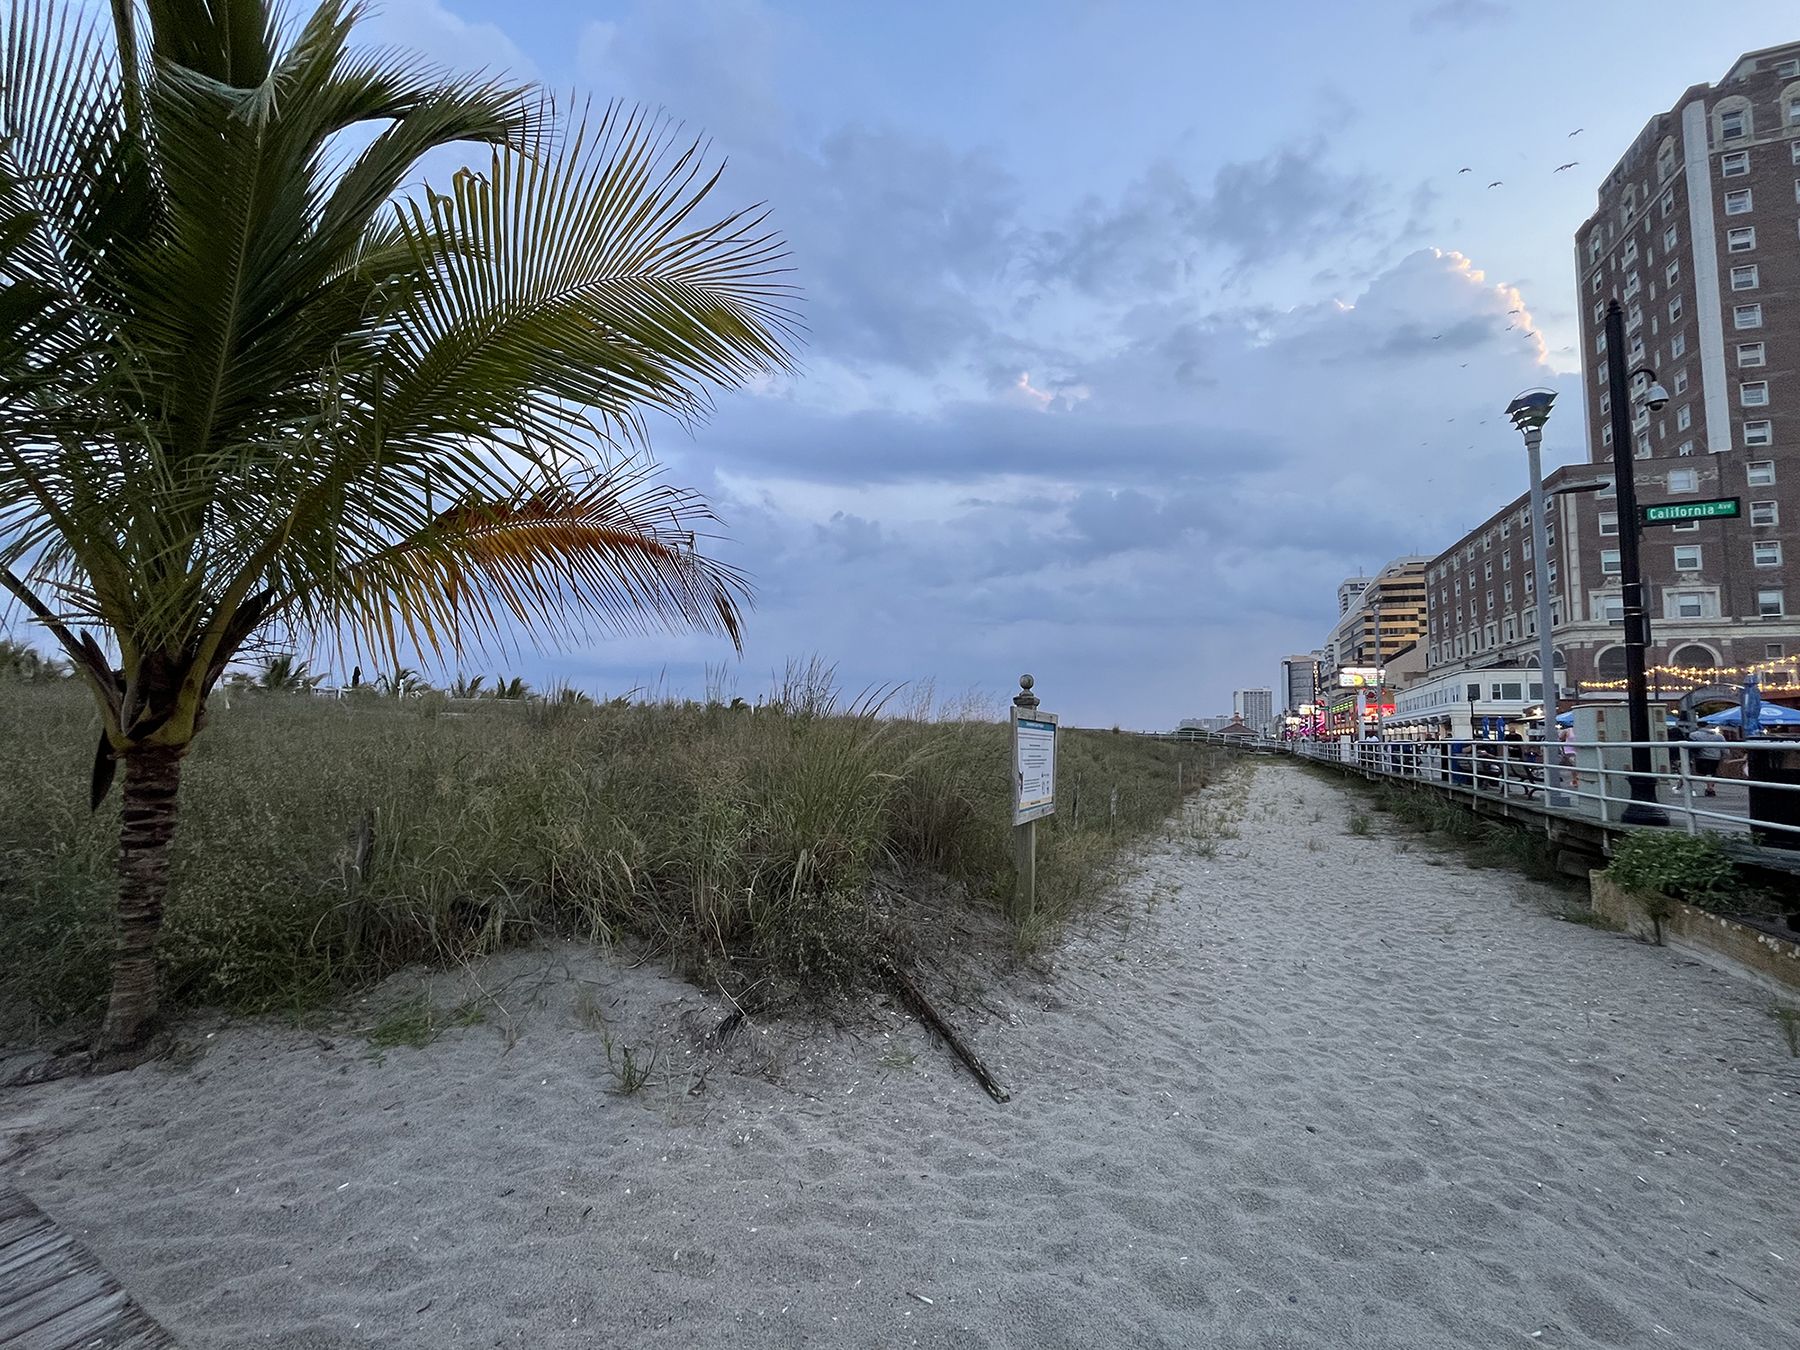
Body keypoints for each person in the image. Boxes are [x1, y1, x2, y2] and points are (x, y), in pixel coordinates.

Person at [1687, 722, 1726, 796]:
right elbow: (1724, 747)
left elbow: (1692, 747)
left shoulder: (1693, 735)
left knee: (1705, 772)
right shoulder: (1719, 736)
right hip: (1715, 757)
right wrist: (1725, 756)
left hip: (1701, 756)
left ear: (1698, 726)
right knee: (1712, 772)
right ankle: (1710, 788)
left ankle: (1709, 788)